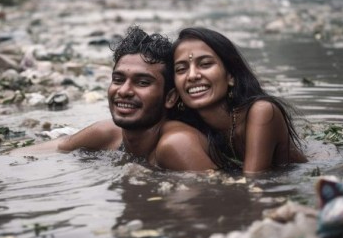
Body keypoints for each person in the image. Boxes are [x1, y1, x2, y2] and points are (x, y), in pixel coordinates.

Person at [21, 25, 216, 171]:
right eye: (118, 79)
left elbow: (212, 204)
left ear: (170, 97)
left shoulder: (176, 143)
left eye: (142, 82)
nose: (124, 91)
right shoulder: (109, 133)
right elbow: (40, 150)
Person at [171, 27, 307, 173]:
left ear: (231, 76)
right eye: (181, 69)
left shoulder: (261, 112)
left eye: (205, 64)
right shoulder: (191, 127)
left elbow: (252, 183)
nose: (192, 76)